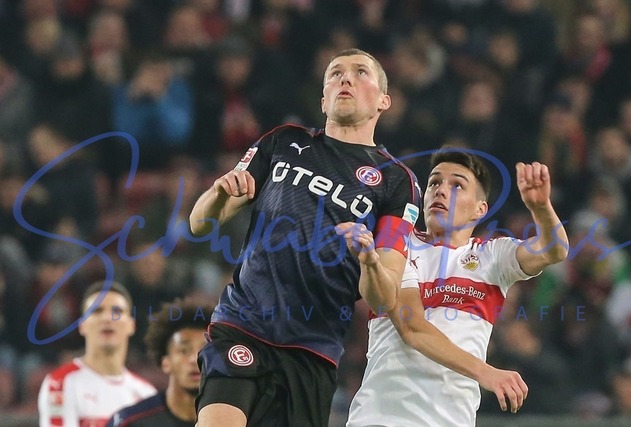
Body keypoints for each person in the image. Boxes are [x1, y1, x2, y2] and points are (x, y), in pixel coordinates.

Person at [189, 48, 525, 427]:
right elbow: (200, 223)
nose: (345, 78)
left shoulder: (398, 183)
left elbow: (383, 297)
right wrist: (218, 193)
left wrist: (369, 259)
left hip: (313, 349)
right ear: (324, 99)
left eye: (360, 72)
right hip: (243, 323)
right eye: (335, 73)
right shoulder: (283, 142)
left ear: (384, 101)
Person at [346, 148, 569, 426]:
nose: (440, 190)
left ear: (480, 209)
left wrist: (541, 208)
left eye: (457, 186)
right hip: (381, 417)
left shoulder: (492, 256)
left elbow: (555, 251)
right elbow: (412, 328)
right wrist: (485, 372)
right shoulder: (398, 246)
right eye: (434, 183)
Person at [38, 281, 157, 427]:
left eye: (117, 312)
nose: (107, 318)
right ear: (82, 325)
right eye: (97, 311)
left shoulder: (146, 395)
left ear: (131, 325)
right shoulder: (60, 384)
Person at [106, 298, 209, 427]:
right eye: (184, 350)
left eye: (205, 350)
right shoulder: (129, 422)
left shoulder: (232, 419)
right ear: (165, 363)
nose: (194, 359)